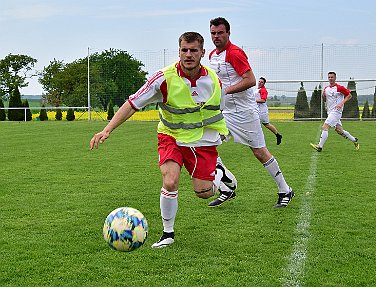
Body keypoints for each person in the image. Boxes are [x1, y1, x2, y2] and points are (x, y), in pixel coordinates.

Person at [90, 32, 233, 248]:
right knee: (170, 180)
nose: (188, 55)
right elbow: (132, 103)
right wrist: (107, 129)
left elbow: (218, 111)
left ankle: (219, 172)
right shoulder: (162, 78)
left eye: (193, 50)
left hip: (201, 140)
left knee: (203, 193)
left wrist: (218, 134)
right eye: (184, 50)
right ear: (179, 51)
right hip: (171, 136)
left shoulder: (214, 82)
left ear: (202, 53)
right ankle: (168, 234)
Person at [208, 17, 294, 208]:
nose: (216, 36)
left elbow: (250, 80)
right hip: (225, 113)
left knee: (260, 153)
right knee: (206, 145)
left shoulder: (235, 53)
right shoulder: (213, 55)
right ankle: (226, 188)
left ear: (228, 33)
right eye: (213, 33)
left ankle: (285, 190)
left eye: (220, 32)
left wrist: (225, 92)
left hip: (244, 113)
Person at [310, 71, 359, 152]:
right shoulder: (326, 88)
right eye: (329, 77)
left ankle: (320, 146)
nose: (330, 79)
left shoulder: (340, 88)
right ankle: (354, 140)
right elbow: (325, 98)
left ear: (335, 78)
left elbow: (349, 95)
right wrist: (323, 97)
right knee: (339, 131)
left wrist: (341, 103)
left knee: (325, 127)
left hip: (336, 112)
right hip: (330, 112)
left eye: (332, 77)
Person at [255, 77, 283, 145]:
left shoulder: (263, 90)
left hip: (262, 111)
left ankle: (278, 135)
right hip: (256, 109)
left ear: (264, 84)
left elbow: (263, 100)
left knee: (266, 124)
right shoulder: (257, 89)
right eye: (259, 81)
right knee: (254, 123)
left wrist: (253, 101)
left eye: (262, 82)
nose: (260, 83)